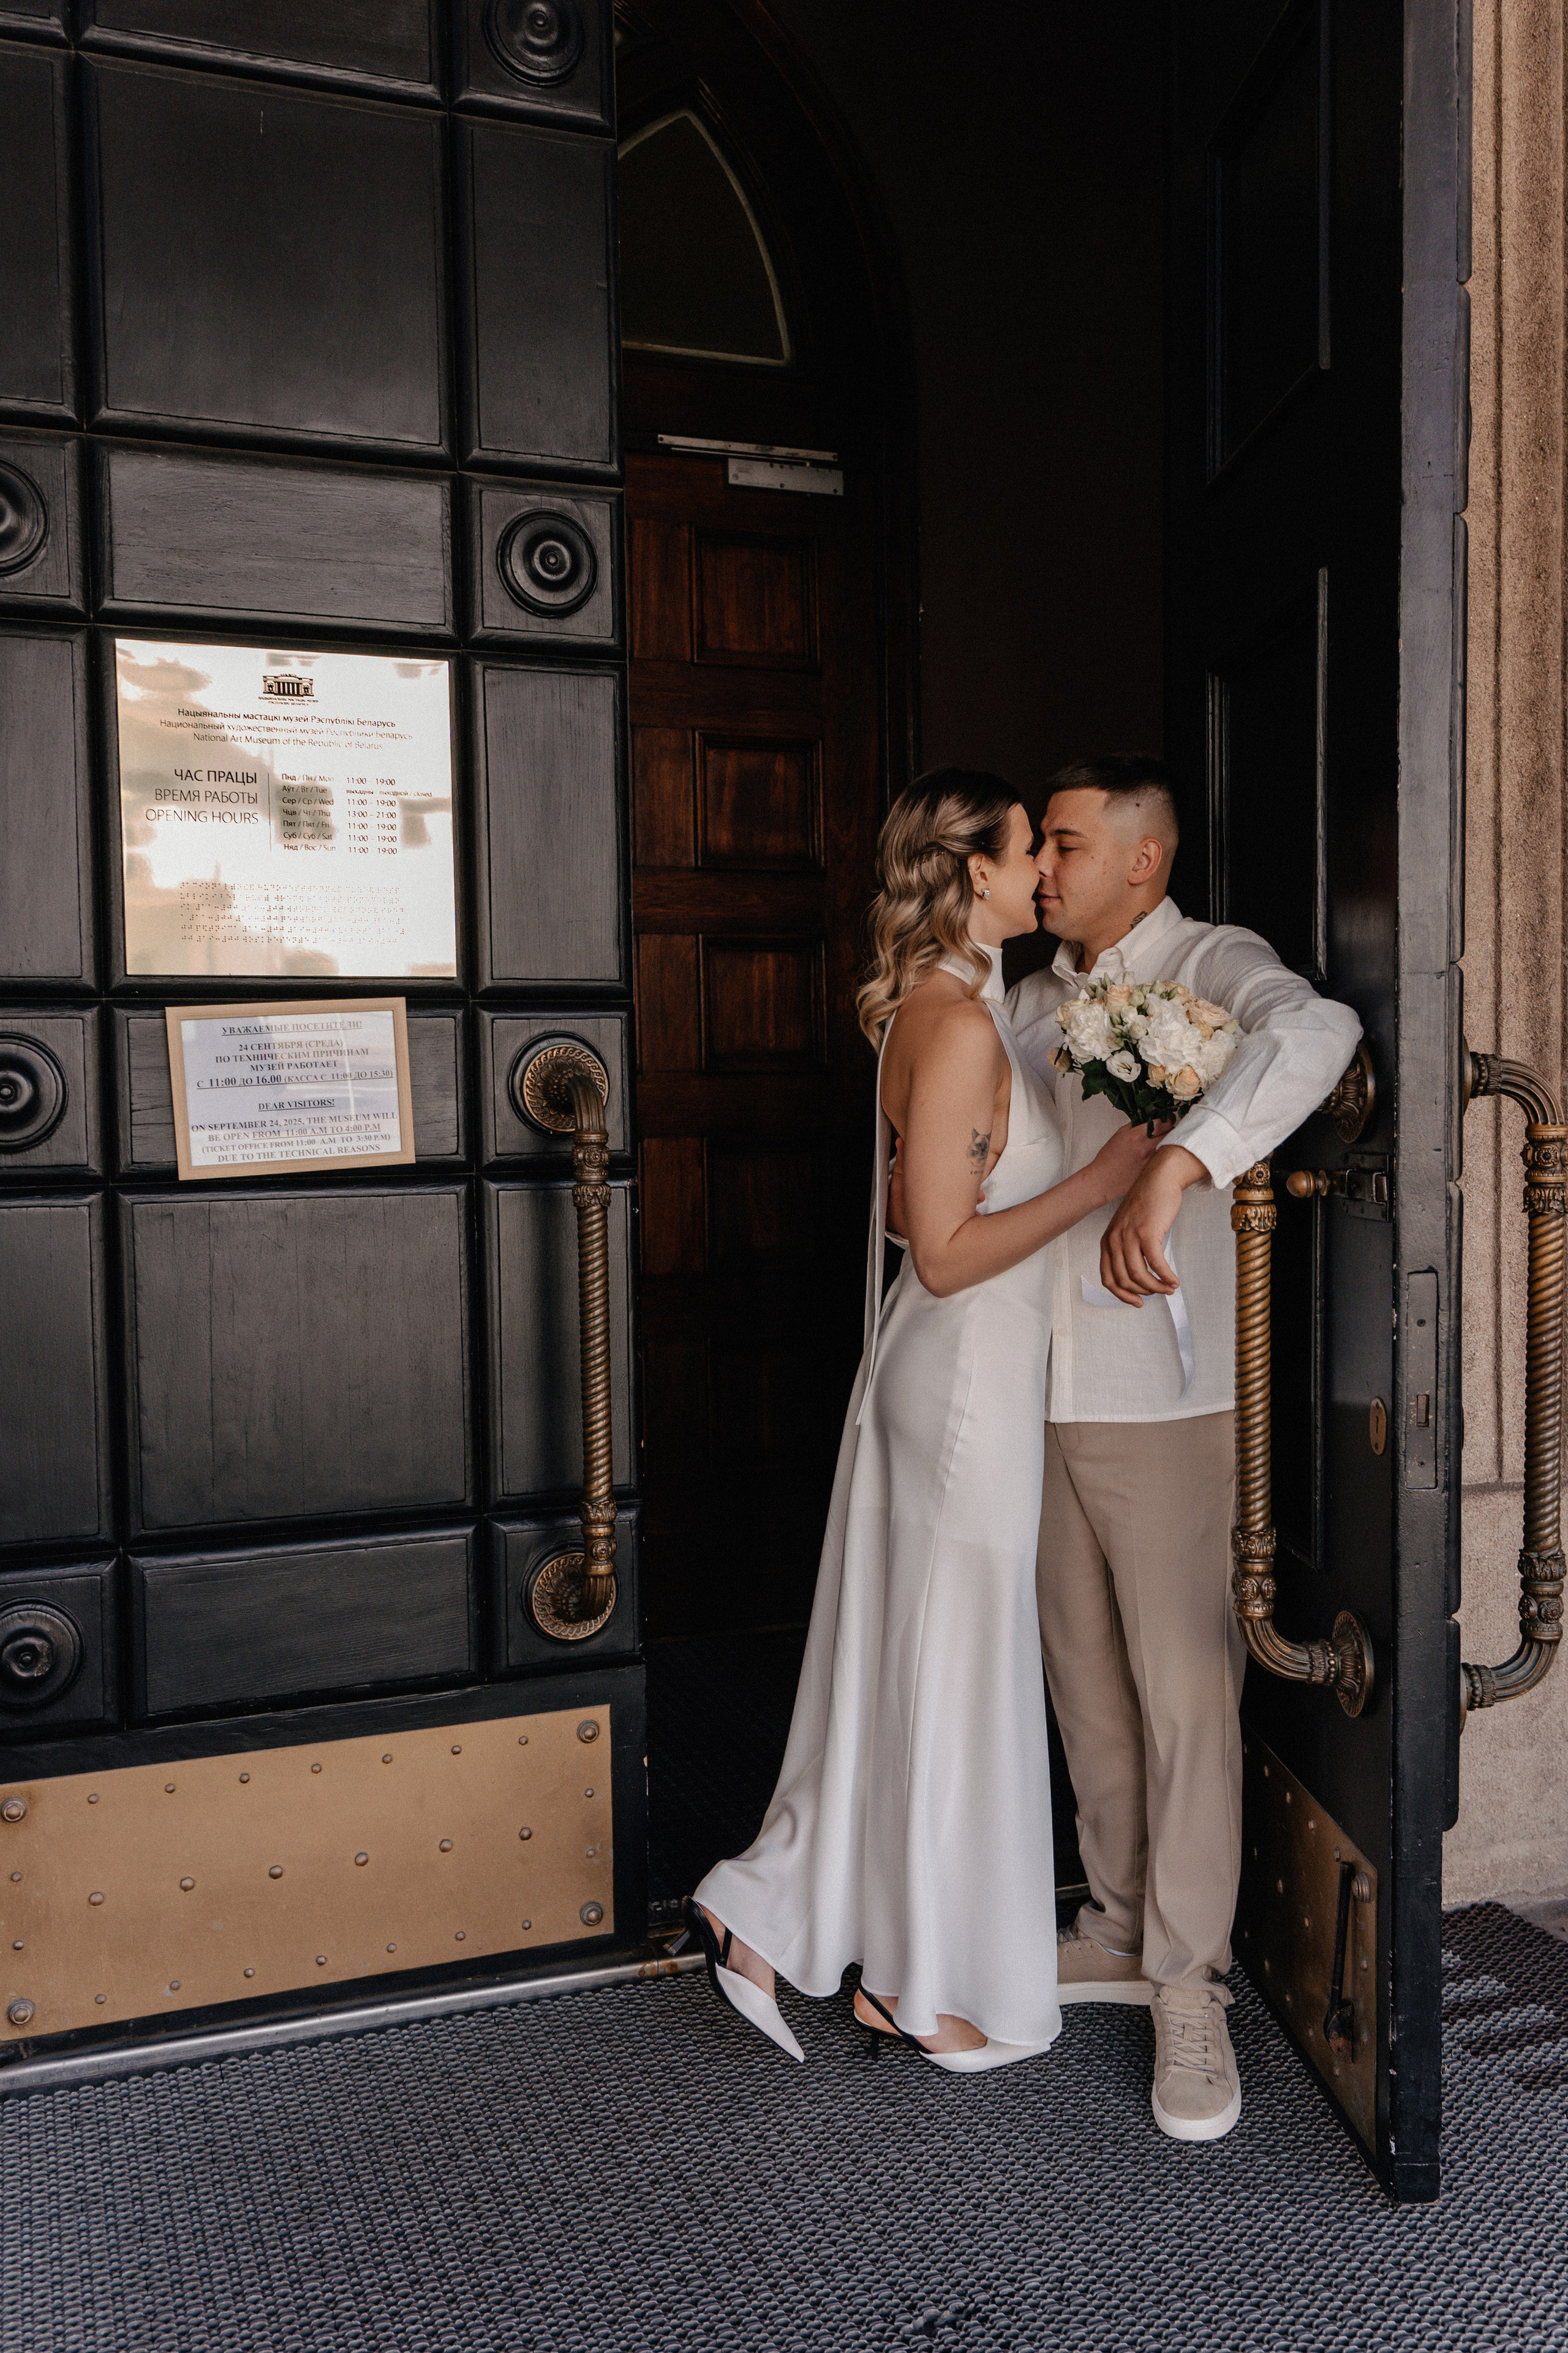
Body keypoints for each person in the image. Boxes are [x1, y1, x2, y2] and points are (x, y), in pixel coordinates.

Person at [685, 770, 1161, 2069]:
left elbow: (917, 1217)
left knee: (913, 1666)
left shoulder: (962, 1008)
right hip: (957, 1376)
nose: (1043, 878)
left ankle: (772, 1919)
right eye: (1024, 859)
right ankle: (915, 1979)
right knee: (950, 1676)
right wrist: (1106, 1179)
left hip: (963, 1369)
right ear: (966, 878)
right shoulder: (951, 1025)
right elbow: (941, 1251)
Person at [1007, 754, 1362, 2142]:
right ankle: (1108, 1925)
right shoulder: (1028, 996)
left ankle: (1189, 1980)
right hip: (1031, 1392)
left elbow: (1320, 1032)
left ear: (1141, 860)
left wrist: (1179, 1159)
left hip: (1165, 1399)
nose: (1041, 864)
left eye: (1063, 842)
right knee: (1082, 1686)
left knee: (1180, 1696)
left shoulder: (1214, 963)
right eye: (1039, 842)